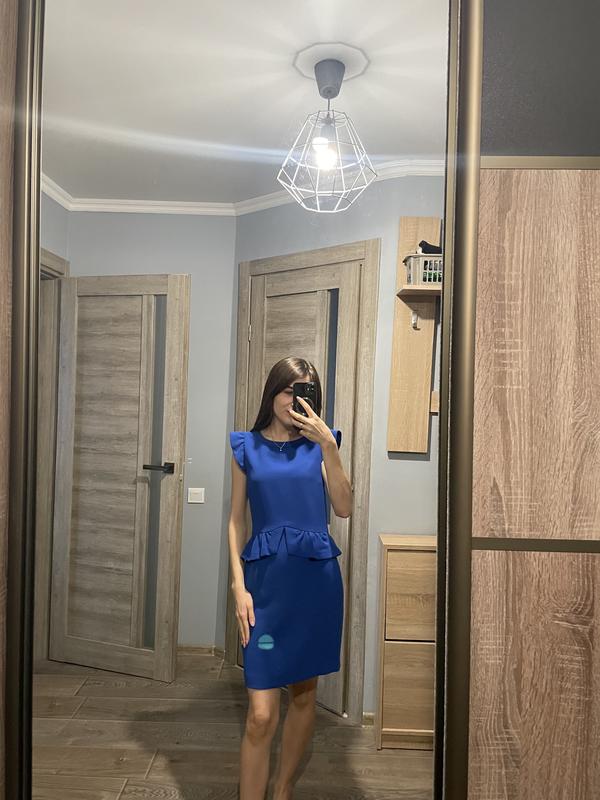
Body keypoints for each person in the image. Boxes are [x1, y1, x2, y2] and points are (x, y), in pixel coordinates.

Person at [228, 356, 352, 800]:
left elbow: (344, 507)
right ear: (273, 392)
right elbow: (236, 521)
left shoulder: (322, 444)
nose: (295, 400)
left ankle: (282, 789)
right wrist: (238, 585)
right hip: (263, 592)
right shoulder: (246, 447)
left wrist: (329, 446)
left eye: (305, 392)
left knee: (303, 695)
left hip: (315, 588)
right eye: (288, 390)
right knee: (261, 715)